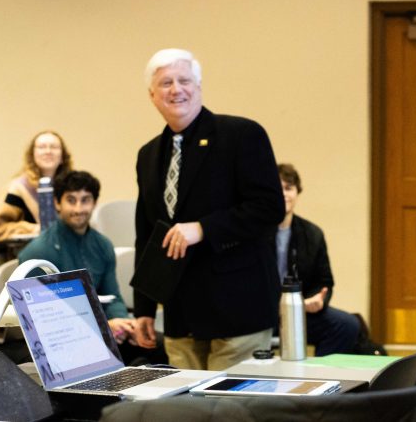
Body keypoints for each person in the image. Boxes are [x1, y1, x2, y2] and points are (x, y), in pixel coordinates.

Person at [130, 48, 285, 371]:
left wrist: (203, 228)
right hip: (180, 315)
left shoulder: (242, 135)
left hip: (238, 310)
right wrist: (143, 308)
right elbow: (146, 235)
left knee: (231, 412)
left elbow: (269, 208)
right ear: (152, 95)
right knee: (186, 412)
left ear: (199, 87)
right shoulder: (148, 155)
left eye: (184, 80)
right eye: (166, 83)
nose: (176, 89)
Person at [16, 169, 168, 365]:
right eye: (71, 200)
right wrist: (103, 326)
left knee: (157, 345)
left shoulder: (103, 245)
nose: (79, 208)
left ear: (94, 203)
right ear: (57, 203)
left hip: (102, 332)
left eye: (85, 200)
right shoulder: (37, 252)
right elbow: (45, 319)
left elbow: (113, 297)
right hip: (63, 340)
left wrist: (123, 324)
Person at [276, 163, 360, 356]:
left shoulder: (312, 234)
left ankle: (318, 376)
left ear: (297, 192)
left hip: (299, 312)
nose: (283, 194)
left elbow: (324, 282)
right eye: (278, 188)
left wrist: (316, 301)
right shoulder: (255, 232)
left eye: (288, 188)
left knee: (347, 325)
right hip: (262, 315)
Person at [0, 130, 74, 242]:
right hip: (29, 253)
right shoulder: (16, 189)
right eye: (42, 147)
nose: (48, 151)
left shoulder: (72, 189)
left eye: (54, 147)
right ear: (32, 155)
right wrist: (35, 229)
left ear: (62, 157)